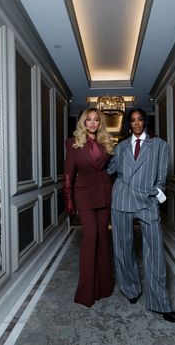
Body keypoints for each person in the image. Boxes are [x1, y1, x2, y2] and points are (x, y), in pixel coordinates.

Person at [107, 108, 175, 322]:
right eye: (133, 120)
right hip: (121, 200)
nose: (136, 123)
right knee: (122, 248)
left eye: (140, 119)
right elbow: (109, 170)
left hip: (146, 202)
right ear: (128, 124)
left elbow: (161, 179)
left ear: (144, 122)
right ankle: (131, 289)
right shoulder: (120, 148)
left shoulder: (159, 146)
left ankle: (160, 302)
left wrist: (155, 196)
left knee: (155, 251)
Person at [64, 108, 115, 307]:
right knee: (91, 236)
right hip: (83, 196)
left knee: (103, 238)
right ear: (83, 123)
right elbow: (68, 173)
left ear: (99, 123)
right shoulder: (73, 143)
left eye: (96, 120)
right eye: (88, 120)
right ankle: (86, 291)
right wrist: (68, 199)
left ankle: (104, 286)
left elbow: (111, 170)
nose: (92, 123)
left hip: (104, 195)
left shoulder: (106, 143)